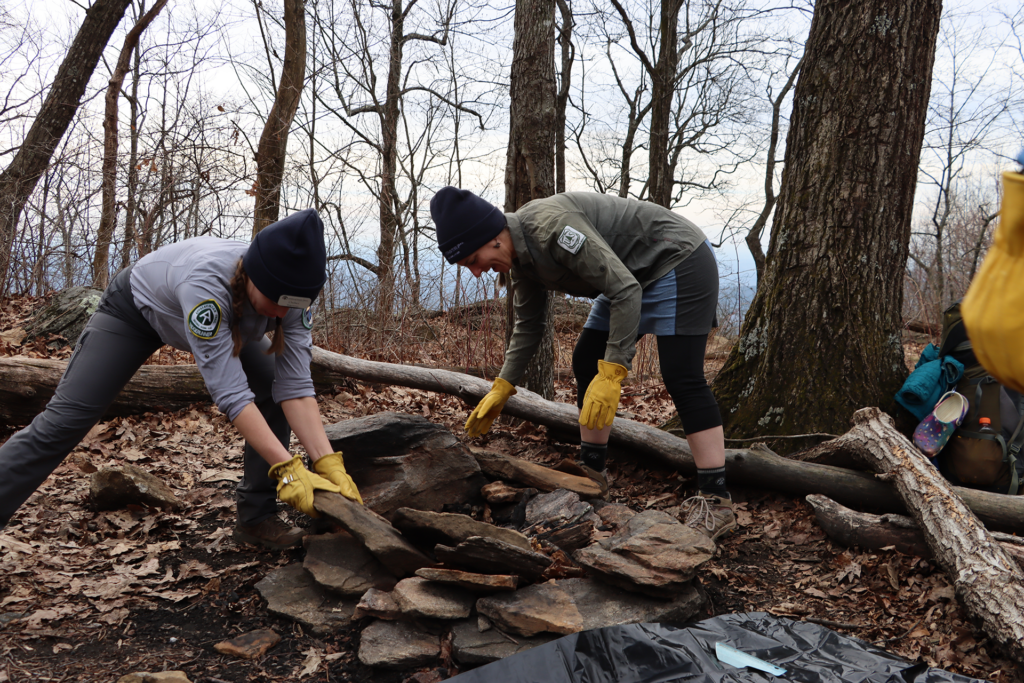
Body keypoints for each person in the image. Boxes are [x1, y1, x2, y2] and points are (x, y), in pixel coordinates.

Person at [0, 209, 362, 549]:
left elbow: (295, 386)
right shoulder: (206, 286)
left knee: (269, 385)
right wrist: (287, 470)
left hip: (225, 320)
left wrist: (327, 463)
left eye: (294, 304)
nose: (283, 313)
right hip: (135, 311)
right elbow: (233, 395)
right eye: (277, 301)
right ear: (253, 275)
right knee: (65, 421)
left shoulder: (294, 300)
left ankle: (256, 519)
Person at [431, 188, 736, 540]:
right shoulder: (520, 259)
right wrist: (503, 385)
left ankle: (716, 499)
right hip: (627, 275)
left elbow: (624, 291)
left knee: (681, 374)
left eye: (472, 260)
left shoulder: (554, 231)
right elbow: (530, 326)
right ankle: (592, 474)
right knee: (586, 360)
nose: (475, 272)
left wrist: (614, 372)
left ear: (494, 239)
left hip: (676, 258)